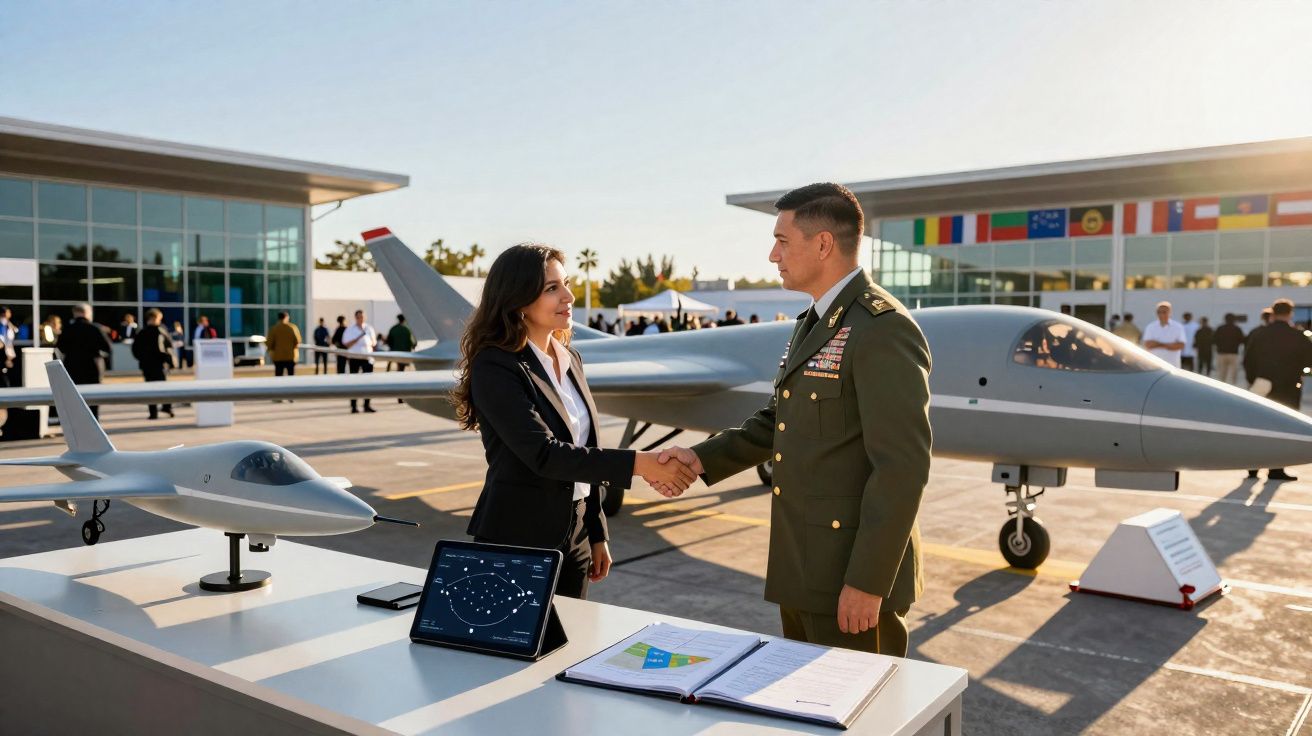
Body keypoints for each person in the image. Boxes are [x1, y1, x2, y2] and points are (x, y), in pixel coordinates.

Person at [658, 183, 932, 656]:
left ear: (823, 243)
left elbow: (902, 467)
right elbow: (780, 420)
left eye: (782, 241)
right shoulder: (817, 320)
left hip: (851, 580)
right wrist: (700, 458)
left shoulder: (881, 328)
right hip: (805, 569)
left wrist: (868, 581)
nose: (772, 255)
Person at [453, 243, 696, 599]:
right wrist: (641, 464)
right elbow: (545, 455)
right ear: (518, 299)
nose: (567, 296)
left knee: (571, 648)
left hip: (577, 531)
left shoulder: (570, 359)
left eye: (565, 283)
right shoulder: (496, 366)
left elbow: (586, 449)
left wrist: (596, 531)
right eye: (552, 288)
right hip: (519, 536)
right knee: (521, 650)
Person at [1244, 299, 1312, 481]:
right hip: (1288, 389)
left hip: (1263, 387)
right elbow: (1308, 362)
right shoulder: (1298, 336)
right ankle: (1276, 469)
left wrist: (1254, 381)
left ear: (1273, 313)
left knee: (1258, 425)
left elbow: (1248, 360)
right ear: (1290, 313)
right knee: (1283, 428)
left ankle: (1252, 468)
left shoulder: (1259, 334)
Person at [56, 304, 113, 418]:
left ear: (75, 313)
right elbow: (108, 347)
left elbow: (61, 347)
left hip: (72, 366)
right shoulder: (95, 328)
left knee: (75, 395)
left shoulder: (67, 329)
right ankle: (94, 420)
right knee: (93, 397)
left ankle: (77, 420)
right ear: (87, 313)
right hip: (93, 366)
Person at [131, 308, 175, 419]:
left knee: (150, 388)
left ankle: (153, 412)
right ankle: (167, 407)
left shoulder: (141, 333)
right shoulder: (161, 332)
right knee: (163, 387)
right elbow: (168, 346)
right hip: (160, 365)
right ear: (156, 318)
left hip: (147, 365)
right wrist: (169, 361)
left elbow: (135, 349)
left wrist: (142, 359)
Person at [342, 310, 377, 413]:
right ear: (355, 318)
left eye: (362, 317)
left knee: (368, 383)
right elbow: (346, 344)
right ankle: (354, 406)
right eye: (358, 317)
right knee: (354, 383)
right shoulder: (350, 329)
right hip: (355, 358)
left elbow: (373, 343)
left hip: (367, 358)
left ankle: (367, 405)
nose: (360, 319)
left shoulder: (369, 328)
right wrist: (358, 337)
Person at [1142, 302, 1186, 368]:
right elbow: (1147, 345)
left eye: (1164, 312)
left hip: (1173, 365)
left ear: (1170, 312)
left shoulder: (1178, 327)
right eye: (1159, 312)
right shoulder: (1150, 327)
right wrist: (1170, 345)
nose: (1161, 314)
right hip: (1154, 365)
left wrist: (1157, 344)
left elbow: (1181, 345)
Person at [266, 311, 302, 378]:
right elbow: (297, 341)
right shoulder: (292, 328)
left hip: (278, 357)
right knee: (291, 377)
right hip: (290, 356)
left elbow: (269, 343)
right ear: (286, 317)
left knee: (278, 377)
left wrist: (271, 352)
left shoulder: (274, 329)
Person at [1214, 313, 1245, 385]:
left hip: (1221, 354)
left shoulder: (1220, 328)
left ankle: (1222, 388)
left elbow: (1214, 340)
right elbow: (1242, 340)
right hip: (1233, 354)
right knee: (1233, 375)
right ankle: (1232, 389)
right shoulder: (1237, 329)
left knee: (1222, 374)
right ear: (1234, 320)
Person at [0, 306, 15, 388]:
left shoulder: (7, 322)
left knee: (6, 366)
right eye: (8, 312)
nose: (10, 314)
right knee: (4, 366)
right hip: (4, 346)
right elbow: (2, 334)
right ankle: (6, 384)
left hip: (7, 346)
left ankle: (6, 383)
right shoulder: (2, 322)